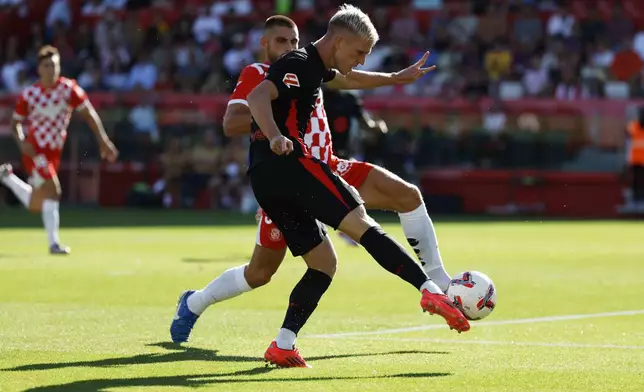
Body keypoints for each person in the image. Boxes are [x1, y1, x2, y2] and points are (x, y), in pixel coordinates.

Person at [170, 12, 468, 365]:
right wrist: (275, 133)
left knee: (397, 203)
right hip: (294, 167)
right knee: (262, 272)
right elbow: (240, 114)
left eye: (294, 40)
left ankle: (285, 342)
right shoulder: (270, 71)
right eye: (281, 40)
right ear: (265, 43)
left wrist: (395, 78)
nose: (289, 46)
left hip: (320, 165)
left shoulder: (312, 67)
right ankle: (195, 302)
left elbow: (347, 78)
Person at [0, 46, 118, 254]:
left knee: (38, 203)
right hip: (35, 152)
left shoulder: (68, 89)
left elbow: (89, 114)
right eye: (47, 65)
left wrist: (103, 140)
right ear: (39, 69)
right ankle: (54, 244)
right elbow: (15, 123)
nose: (51, 69)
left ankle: (7, 178)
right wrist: (21, 143)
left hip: (54, 153)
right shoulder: (30, 94)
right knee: (54, 191)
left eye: (54, 65)